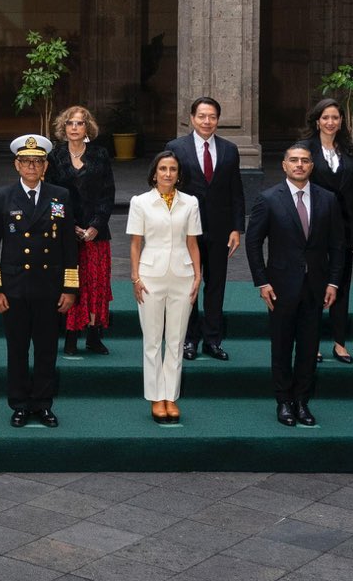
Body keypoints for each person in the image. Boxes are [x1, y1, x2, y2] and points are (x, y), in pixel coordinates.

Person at [244, 143, 343, 427]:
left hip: (316, 286)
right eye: (294, 160)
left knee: (310, 347)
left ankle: (302, 400)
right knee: (282, 345)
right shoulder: (268, 198)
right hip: (280, 286)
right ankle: (283, 401)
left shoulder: (328, 199)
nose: (299, 165)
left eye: (305, 161)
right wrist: (262, 282)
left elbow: (337, 245)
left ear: (312, 166)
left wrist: (333, 282)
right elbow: (253, 243)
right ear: (284, 165)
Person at [0, 134, 80, 428]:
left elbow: (68, 246)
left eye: (37, 162)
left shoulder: (60, 196)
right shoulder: (2, 198)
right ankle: (19, 405)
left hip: (49, 288)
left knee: (47, 349)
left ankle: (42, 403)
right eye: (26, 161)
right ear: (17, 164)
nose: (31, 167)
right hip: (14, 288)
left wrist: (70, 287)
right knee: (17, 349)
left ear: (45, 166)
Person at [127, 150, 201, 424]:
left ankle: (170, 396)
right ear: (154, 173)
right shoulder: (140, 202)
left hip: (182, 276)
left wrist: (197, 277)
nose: (168, 174)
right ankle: (156, 397)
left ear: (179, 174)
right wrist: (135, 277)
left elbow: (192, 243)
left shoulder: (190, 203)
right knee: (152, 340)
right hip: (150, 276)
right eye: (163, 169)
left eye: (172, 169)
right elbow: (135, 243)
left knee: (176, 340)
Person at [170, 97, 244, 361]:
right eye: (202, 116)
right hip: (185, 230)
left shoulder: (229, 150)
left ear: (218, 120)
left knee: (216, 285)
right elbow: (168, 187)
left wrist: (237, 228)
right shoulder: (176, 147)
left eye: (212, 117)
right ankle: (189, 339)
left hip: (221, 229)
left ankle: (213, 340)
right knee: (188, 285)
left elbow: (236, 190)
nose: (207, 121)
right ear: (192, 118)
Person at [306, 99, 353, 365]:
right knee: (313, 284)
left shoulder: (351, 150)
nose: (331, 122)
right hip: (313, 226)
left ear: (341, 121)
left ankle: (340, 343)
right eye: (325, 117)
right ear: (317, 120)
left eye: (335, 118)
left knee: (341, 283)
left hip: (343, 228)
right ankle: (312, 342)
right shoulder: (304, 149)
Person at [54, 106, 115, 358]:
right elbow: (53, 200)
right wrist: (71, 226)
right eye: (70, 123)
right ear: (63, 127)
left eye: (80, 123)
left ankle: (93, 335)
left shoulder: (100, 155)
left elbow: (108, 194)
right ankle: (70, 335)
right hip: (67, 233)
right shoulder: (54, 157)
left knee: (96, 284)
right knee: (71, 282)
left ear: (87, 127)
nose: (75, 127)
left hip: (96, 234)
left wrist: (94, 226)